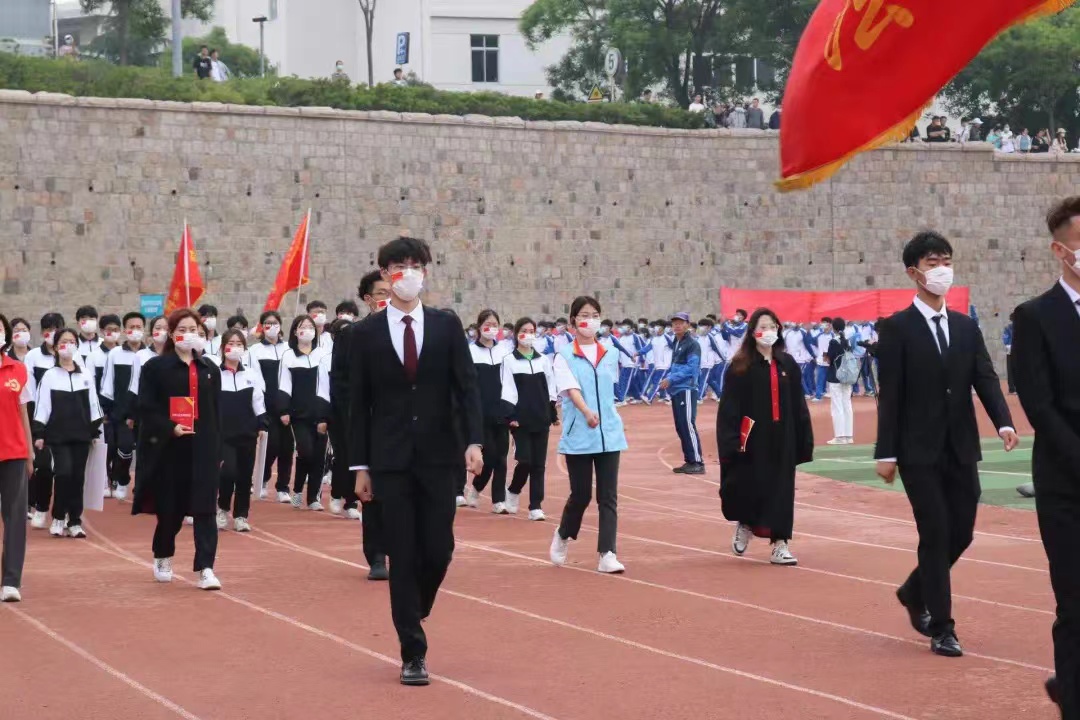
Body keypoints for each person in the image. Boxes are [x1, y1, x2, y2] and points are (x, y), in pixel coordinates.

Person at [347, 236, 484, 685]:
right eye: (398, 266)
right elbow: (357, 404)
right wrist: (359, 466)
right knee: (402, 554)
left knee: (439, 548)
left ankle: (416, 606)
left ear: (425, 271)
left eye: (415, 264)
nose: (407, 272)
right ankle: (412, 651)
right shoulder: (364, 334)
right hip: (389, 460)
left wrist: (473, 441)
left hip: (439, 455)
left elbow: (466, 387)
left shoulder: (446, 326)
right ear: (385, 274)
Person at [875, 230, 1017, 658]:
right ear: (913, 272)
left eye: (946, 261)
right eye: (933, 263)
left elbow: (985, 377)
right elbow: (891, 393)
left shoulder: (966, 326)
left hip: (961, 445)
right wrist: (886, 452)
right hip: (917, 450)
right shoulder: (896, 328)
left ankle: (913, 590)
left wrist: (1004, 422)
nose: (942, 270)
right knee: (935, 532)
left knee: (963, 532)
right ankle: (942, 627)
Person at [1012, 196, 1080, 715]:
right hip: (1066, 482)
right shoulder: (1035, 317)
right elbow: (1039, 403)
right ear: (1061, 250)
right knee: (1076, 603)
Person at [133, 309, 223, 591]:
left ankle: (206, 568)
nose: (189, 334)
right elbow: (146, 407)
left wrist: (218, 449)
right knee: (171, 509)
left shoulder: (210, 370)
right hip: (170, 449)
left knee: (205, 509)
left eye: (194, 329)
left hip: (203, 448)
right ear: (172, 334)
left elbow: (216, 412)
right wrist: (170, 427)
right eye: (182, 329)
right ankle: (163, 554)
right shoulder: (156, 368)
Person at [718, 308, 813, 565]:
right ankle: (746, 522)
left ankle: (780, 543)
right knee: (751, 485)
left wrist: (804, 439)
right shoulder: (740, 366)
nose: (768, 332)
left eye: (772, 326)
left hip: (783, 436)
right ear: (752, 332)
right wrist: (730, 441)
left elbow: (798, 404)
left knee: (782, 490)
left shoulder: (788, 364)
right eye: (763, 327)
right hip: (752, 437)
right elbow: (729, 408)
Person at [548, 296, 628, 574]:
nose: (590, 320)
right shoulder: (564, 356)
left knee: (608, 496)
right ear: (573, 320)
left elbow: (609, 389)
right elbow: (571, 389)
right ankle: (563, 533)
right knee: (581, 495)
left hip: (609, 433)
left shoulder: (610, 352)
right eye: (584, 315)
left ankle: (608, 553)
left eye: (595, 315)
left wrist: (607, 416)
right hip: (580, 433)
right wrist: (586, 412)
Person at [31, 328, 103, 538]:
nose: (68, 345)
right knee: (63, 474)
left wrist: (95, 431)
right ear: (55, 347)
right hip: (58, 437)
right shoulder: (50, 376)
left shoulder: (85, 374)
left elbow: (93, 404)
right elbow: (42, 406)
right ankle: (58, 517)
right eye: (63, 341)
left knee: (77, 478)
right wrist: (39, 433)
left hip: (81, 436)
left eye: (72, 341)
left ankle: (75, 521)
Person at [499, 317, 557, 520]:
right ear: (517, 334)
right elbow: (507, 388)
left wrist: (551, 411)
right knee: (525, 461)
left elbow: (550, 386)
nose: (528, 334)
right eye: (524, 331)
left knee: (538, 464)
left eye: (532, 331)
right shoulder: (509, 360)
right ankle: (513, 490)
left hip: (541, 418)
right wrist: (511, 415)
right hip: (521, 420)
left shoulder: (543, 360)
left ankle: (535, 506)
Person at [216, 329, 267, 532]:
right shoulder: (215, 375)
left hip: (247, 432)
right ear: (223, 348)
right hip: (224, 434)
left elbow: (258, 401)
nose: (234, 348)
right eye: (231, 343)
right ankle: (222, 508)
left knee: (245, 476)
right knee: (228, 472)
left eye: (239, 344)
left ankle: (241, 515)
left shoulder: (251, 375)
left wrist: (262, 424)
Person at [464, 310, 512, 512]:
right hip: (480, 411)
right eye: (487, 324)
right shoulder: (470, 351)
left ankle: (498, 500)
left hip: (501, 410)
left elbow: (510, 382)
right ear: (479, 327)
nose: (491, 328)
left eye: (494, 325)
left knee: (501, 457)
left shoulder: (505, 351)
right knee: (489, 456)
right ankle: (476, 486)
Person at [0, 313, 33, 602]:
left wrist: (30, 452)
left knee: (14, 517)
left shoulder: (18, 370)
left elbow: (23, 412)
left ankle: (11, 580)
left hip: (13, 452)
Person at [278, 315, 327, 510]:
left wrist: (327, 412)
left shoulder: (323, 355)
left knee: (319, 456)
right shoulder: (288, 356)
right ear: (295, 331)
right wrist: (283, 409)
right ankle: (298, 490)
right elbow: (284, 384)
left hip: (321, 413)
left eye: (310, 326)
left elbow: (328, 385)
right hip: (299, 415)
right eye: (302, 326)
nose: (307, 330)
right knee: (306, 452)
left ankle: (314, 497)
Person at [99, 312, 146, 501]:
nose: (135, 330)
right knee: (124, 448)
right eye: (131, 327)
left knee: (145, 452)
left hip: (145, 413)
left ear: (144, 330)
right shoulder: (115, 354)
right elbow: (107, 382)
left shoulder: (148, 355)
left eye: (138, 327)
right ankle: (122, 478)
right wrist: (107, 410)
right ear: (125, 330)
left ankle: (141, 489)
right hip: (122, 412)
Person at [659, 312, 704, 474]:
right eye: (674, 323)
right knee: (681, 426)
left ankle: (697, 462)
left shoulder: (692, 344)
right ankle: (689, 460)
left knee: (687, 424)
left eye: (681, 322)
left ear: (687, 325)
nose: (677, 325)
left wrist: (671, 379)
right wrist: (668, 378)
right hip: (677, 389)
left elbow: (692, 368)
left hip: (687, 389)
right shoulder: (677, 343)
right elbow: (676, 366)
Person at [824, 317, 855, 444]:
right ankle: (848, 436)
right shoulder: (847, 341)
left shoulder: (833, 341)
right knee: (847, 405)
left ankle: (840, 436)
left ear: (834, 328)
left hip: (836, 376)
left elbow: (830, 358)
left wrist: (826, 357)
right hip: (847, 376)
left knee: (837, 406)